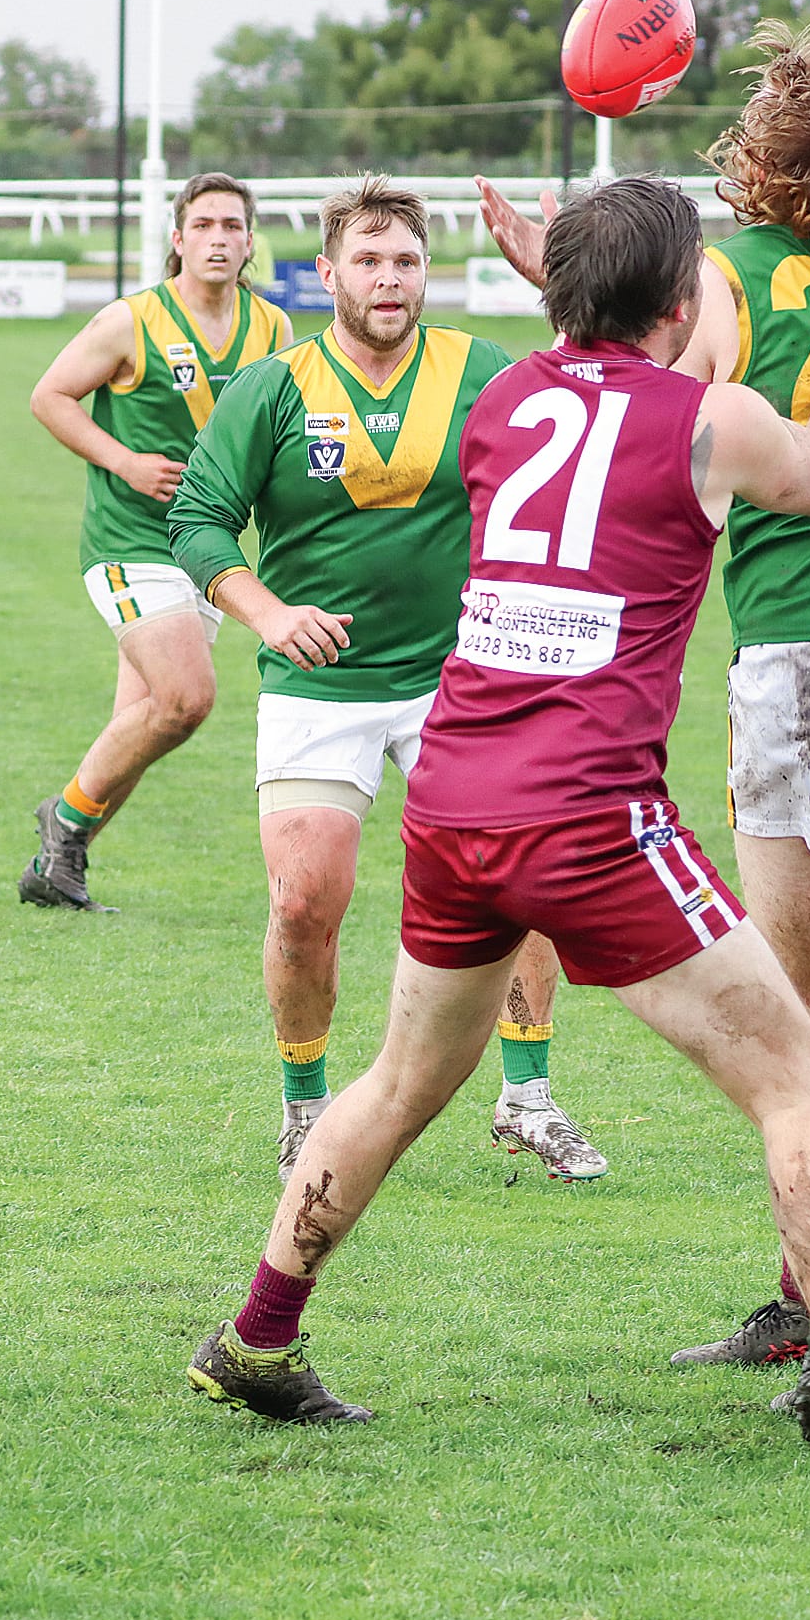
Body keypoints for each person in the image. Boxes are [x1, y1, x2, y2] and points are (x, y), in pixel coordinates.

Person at [185, 175, 810, 1480]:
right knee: (801, 1082)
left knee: (399, 1084)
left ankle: (256, 1337)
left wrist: (577, 292)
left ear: (566, 295)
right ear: (685, 299)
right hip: (590, 810)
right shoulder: (711, 421)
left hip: (457, 792)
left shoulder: (502, 399)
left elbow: (604, 394)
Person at [492, 25, 810, 1413]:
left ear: (769, 147)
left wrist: (563, 299)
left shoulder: (728, 274)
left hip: (798, 665)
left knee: (805, 1019)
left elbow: (646, 403)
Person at [168, 176, 604, 1187]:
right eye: (367, 260)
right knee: (303, 903)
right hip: (318, 687)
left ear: (427, 272)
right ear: (327, 275)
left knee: (523, 875)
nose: (388, 278)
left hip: (461, 679)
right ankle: (305, 1105)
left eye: (405, 260)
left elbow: (597, 400)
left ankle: (528, 1095)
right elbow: (196, 520)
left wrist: (556, 289)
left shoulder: (482, 372)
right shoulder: (272, 389)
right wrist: (269, 614)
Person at [20, 171, 291, 913]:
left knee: (138, 725)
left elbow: (271, 431)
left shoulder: (272, 328)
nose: (218, 239)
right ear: (177, 239)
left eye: (232, 226)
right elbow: (49, 396)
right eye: (203, 225)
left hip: (205, 550)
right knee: (186, 698)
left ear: (250, 242)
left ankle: (55, 869)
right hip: (129, 543)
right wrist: (124, 462)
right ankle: (64, 819)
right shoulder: (131, 320)